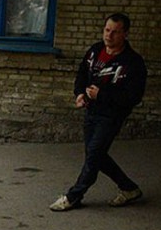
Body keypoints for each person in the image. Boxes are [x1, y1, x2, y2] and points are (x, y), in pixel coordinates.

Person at [50, 13, 147, 211]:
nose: (109, 36)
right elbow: (82, 75)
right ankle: (129, 188)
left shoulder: (132, 62)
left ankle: (73, 196)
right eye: (107, 30)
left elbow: (133, 97)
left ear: (125, 34)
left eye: (115, 32)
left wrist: (101, 94)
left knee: (94, 154)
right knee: (96, 155)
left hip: (111, 115)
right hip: (91, 111)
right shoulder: (95, 51)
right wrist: (79, 94)